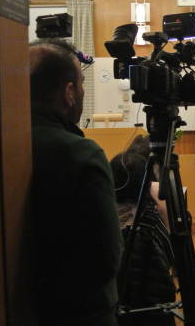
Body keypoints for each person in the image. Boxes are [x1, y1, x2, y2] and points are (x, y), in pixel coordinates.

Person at [30, 39, 122, 326]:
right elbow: (107, 259)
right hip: (81, 312)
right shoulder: (81, 154)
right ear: (69, 92)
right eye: (82, 83)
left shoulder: (2, 145)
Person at [110, 152, 176, 326]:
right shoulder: (149, 221)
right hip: (149, 314)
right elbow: (170, 261)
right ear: (146, 182)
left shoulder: (100, 219)